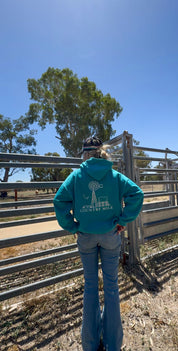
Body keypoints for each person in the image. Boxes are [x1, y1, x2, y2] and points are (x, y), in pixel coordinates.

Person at [53, 136, 144, 351]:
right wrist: (122, 221)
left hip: (85, 236)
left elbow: (59, 201)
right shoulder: (114, 176)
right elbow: (136, 195)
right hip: (111, 236)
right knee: (111, 287)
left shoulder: (76, 177)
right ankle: (113, 344)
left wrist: (73, 226)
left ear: (84, 153)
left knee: (91, 286)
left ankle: (90, 344)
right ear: (101, 152)